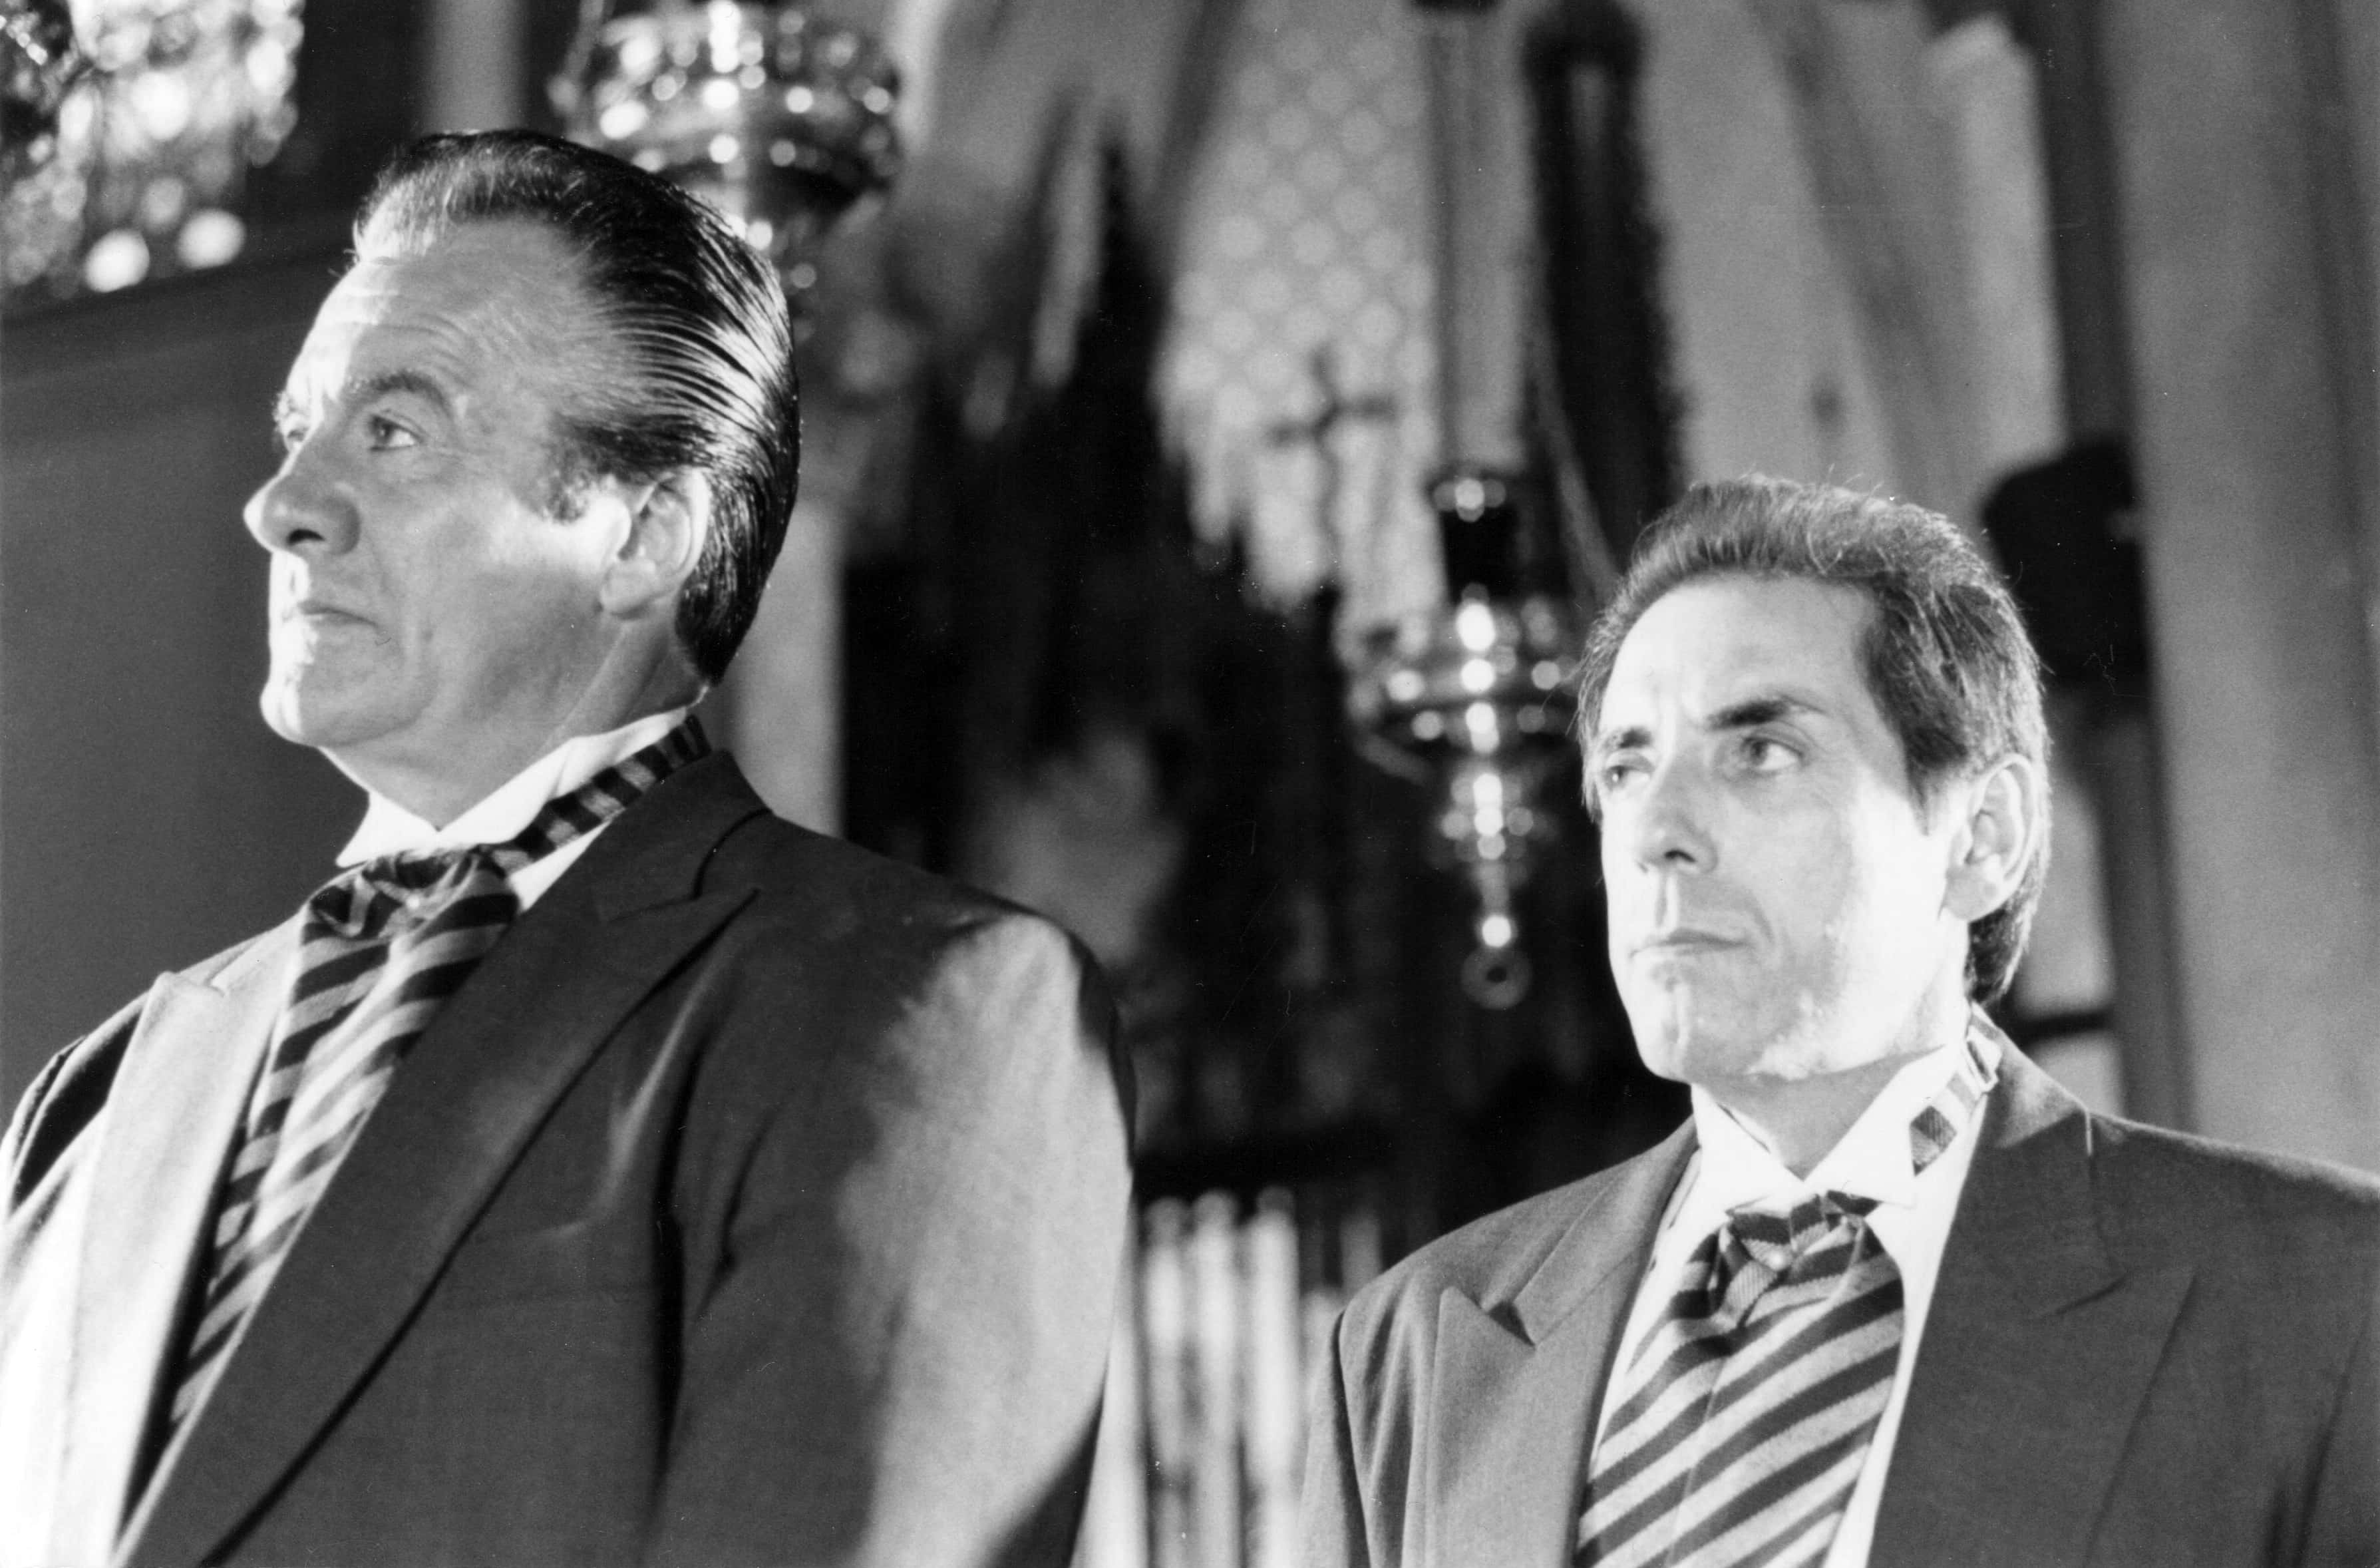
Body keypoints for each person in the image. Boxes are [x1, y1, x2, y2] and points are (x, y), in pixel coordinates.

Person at [0, 130, 1132, 1568]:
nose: (281, 505)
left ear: (642, 535)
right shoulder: (99, 1094)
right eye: (298, 430)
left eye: (394, 432)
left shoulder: (910, 1012)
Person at [1302, 477, 2379, 1566]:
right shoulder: (1417, 1354)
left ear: (1981, 837)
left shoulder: (2319, 1297)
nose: (1655, 831)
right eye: (1625, 766)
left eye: (1758, 751)